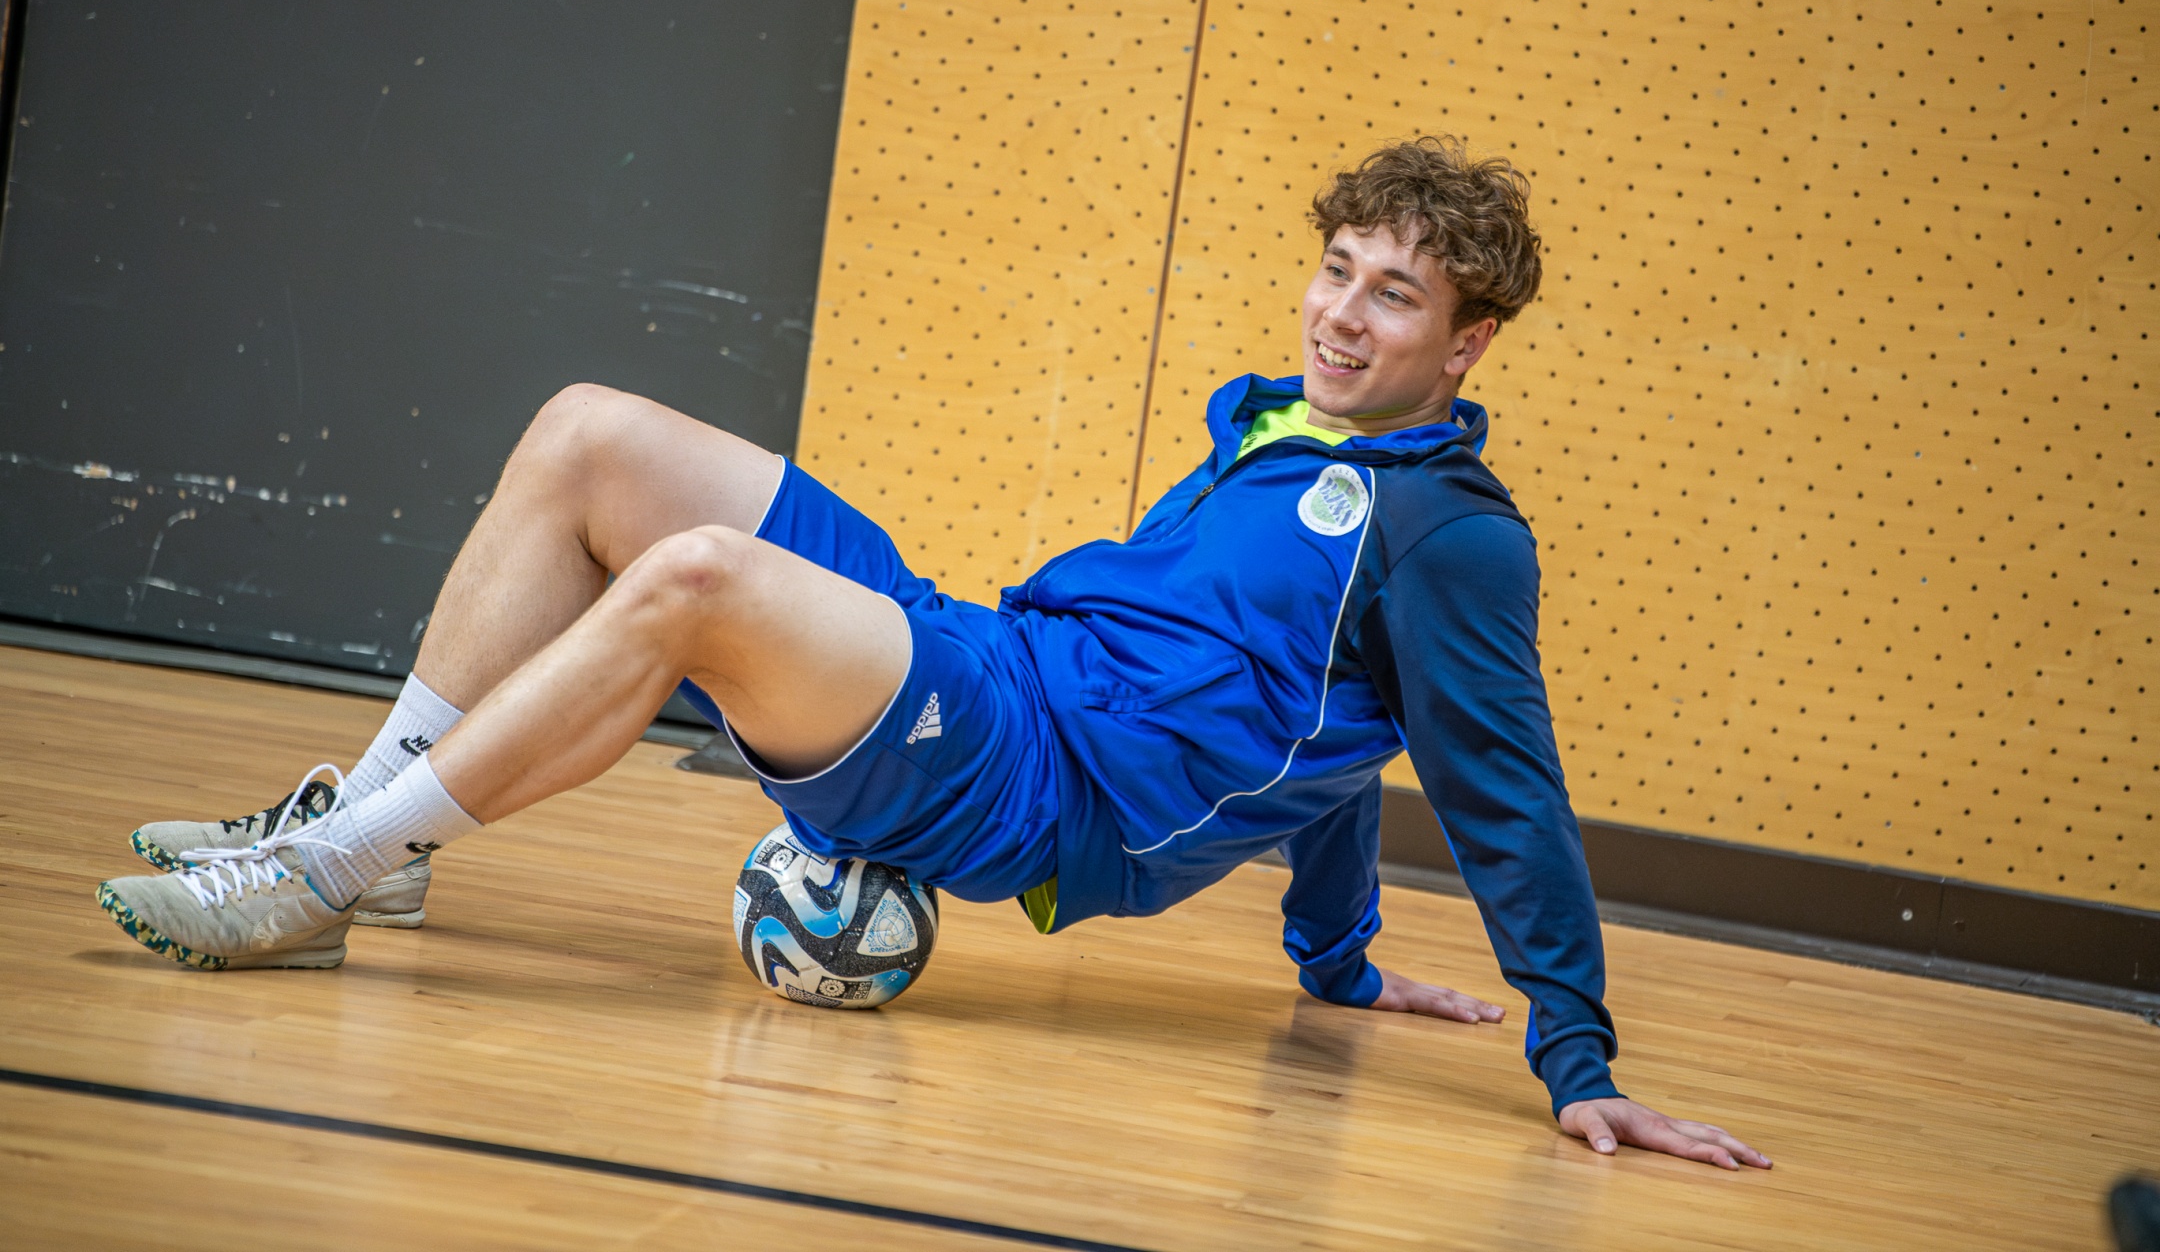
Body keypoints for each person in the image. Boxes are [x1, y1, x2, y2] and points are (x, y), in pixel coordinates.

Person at [100, 136, 1770, 1171]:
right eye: (1337, 270)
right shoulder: (1281, 430)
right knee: (593, 432)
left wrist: (1577, 1054)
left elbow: (1493, 784)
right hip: (994, 659)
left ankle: (321, 878)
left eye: (1394, 296)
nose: (1341, 312)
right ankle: (383, 832)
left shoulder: (1454, 537)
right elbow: (1318, 718)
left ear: (1470, 342)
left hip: (1045, 793)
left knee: (695, 579)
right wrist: (1333, 962)